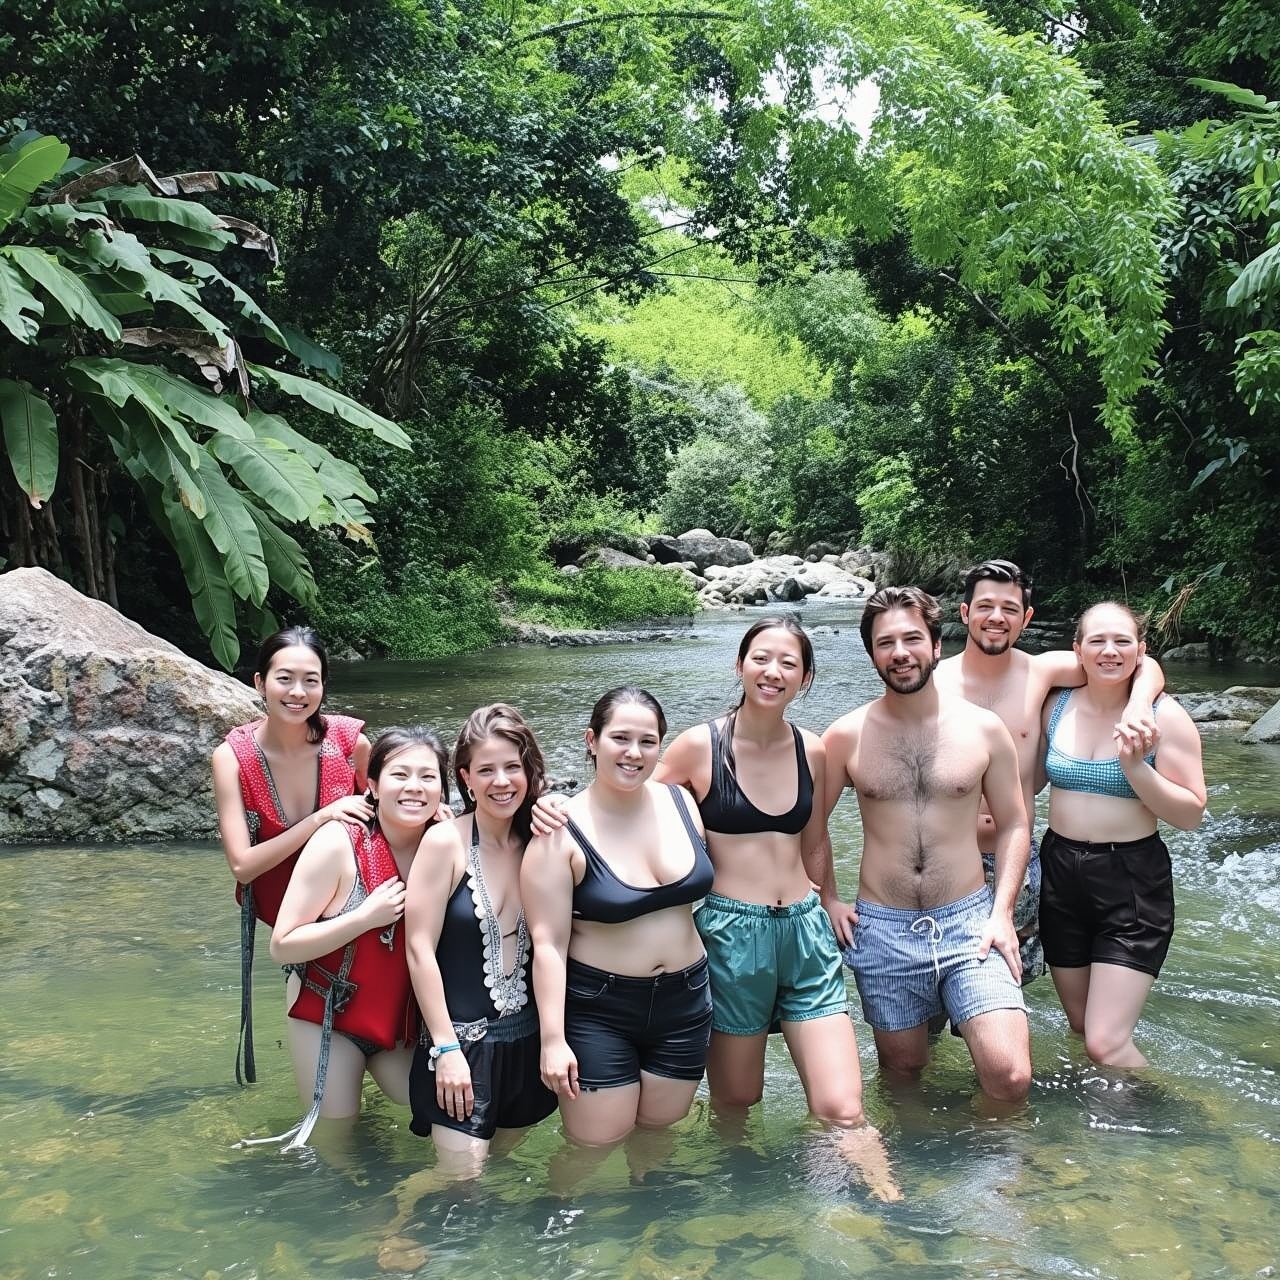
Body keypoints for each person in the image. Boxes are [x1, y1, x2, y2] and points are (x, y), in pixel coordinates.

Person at [654, 618, 897, 1198]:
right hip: (731, 938)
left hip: (805, 934)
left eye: (789, 663)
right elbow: (633, 810)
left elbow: (813, 837)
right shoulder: (695, 746)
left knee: (841, 1105)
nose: (773, 672)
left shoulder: (810, 749)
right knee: (738, 1100)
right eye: (762, 658)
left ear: (806, 678)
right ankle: (746, 1202)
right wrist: (557, 815)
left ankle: (889, 1204)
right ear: (739, 665)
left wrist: (831, 896)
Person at [821, 586, 1032, 1102]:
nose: (900, 653)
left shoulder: (984, 729)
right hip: (883, 929)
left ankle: (993, 1177)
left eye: (912, 638)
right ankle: (915, 1180)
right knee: (903, 1074)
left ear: (937, 646)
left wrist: (1002, 911)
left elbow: (1013, 824)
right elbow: (809, 827)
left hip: (971, 924)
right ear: (871, 654)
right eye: (885, 642)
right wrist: (827, 898)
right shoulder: (846, 736)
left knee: (1009, 1077)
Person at [930, 560, 1166, 987]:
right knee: (924, 1005)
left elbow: (1134, 660)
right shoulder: (933, 680)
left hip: (1013, 861)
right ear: (964, 614)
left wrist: (1138, 703)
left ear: (1027, 618)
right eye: (985, 606)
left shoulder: (1043, 672)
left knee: (999, 1000)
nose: (996, 618)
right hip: (943, 859)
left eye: (1009, 608)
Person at [522, 687, 715, 1147]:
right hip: (598, 1011)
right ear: (592, 741)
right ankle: (557, 1218)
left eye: (647, 741)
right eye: (620, 738)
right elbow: (547, 944)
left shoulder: (681, 803)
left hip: (686, 1002)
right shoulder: (558, 830)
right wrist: (552, 1040)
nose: (633, 753)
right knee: (593, 1146)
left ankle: (651, 1221)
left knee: (657, 1138)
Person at [256, 726, 446, 1150]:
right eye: (400, 775)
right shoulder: (337, 843)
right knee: (336, 1137)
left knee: (439, 1115)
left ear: (443, 790)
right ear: (373, 786)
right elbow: (282, 945)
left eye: (427, 777)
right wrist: (364, 917)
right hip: (327, 1014)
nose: (414, 787)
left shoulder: (447, 844)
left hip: (398, 1022)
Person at [1038, 601, 1205, 1067]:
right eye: (1097, 641)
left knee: (1105, 1042)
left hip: (1131, 879)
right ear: (1078, 650)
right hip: (1060, 873)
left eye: (1122, 641)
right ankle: (1093, 1131)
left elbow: (1191, 814)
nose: (1110, 651)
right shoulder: (1056, 705)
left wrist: (1135, 766)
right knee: (1080, 1025)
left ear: (1141, 650)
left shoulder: (1163, 717)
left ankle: (1162, 1124)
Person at [212, 627, 370, 1084]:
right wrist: (321, 819)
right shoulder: (233, 758)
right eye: (285, 678)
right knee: (322, 1070)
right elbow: (242, 865)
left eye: (311, 680)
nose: (298, 692)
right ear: (260, 683)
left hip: (368, 912)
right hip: (296, 931)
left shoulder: (348, 742)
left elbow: (403, 799)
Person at [404, 704, 558, 1172]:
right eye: (486, 770)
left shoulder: (542, 838)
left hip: (527, 1042)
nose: (501, 781)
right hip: (461, 1046)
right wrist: (445, 1048)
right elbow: (418, 949)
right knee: (461, 1179)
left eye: (513, 767)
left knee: (495, 1172)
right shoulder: (444, 843)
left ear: (529, 773)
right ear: (466, 778)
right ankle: (392, 1235)